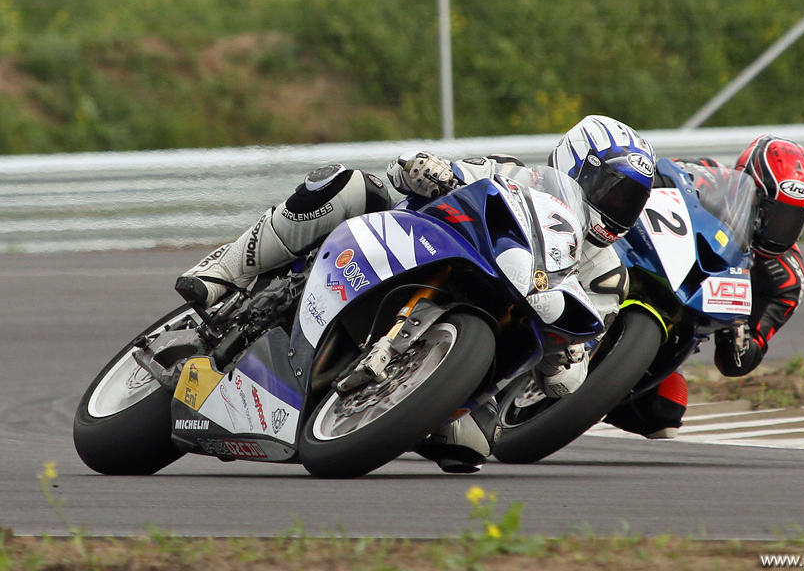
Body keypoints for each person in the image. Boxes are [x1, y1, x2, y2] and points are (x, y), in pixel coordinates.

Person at [176, 115, 656, 472]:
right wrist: (425, 169)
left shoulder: (606, 275)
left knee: (471, 446)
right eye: (613, 192)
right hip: (414, 251)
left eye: (630, 201)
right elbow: (406, 172)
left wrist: (568, 352)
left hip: (483, 347)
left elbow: (569, 372)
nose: (618, 209)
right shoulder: (510, 174)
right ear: (578, 165)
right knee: (348, 186)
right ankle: (225, 270)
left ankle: (388, 406)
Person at [602, 134, 804, 439]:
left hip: (673, 329)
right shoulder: (704, 174)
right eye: (770, 212)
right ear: (749, 186)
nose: (777, 228)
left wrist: (738, 332)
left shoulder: (786, 278)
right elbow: (647, 181)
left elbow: (737, 363)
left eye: (790, 219)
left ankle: (572, 408)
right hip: (640, 260)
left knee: (665, 411)